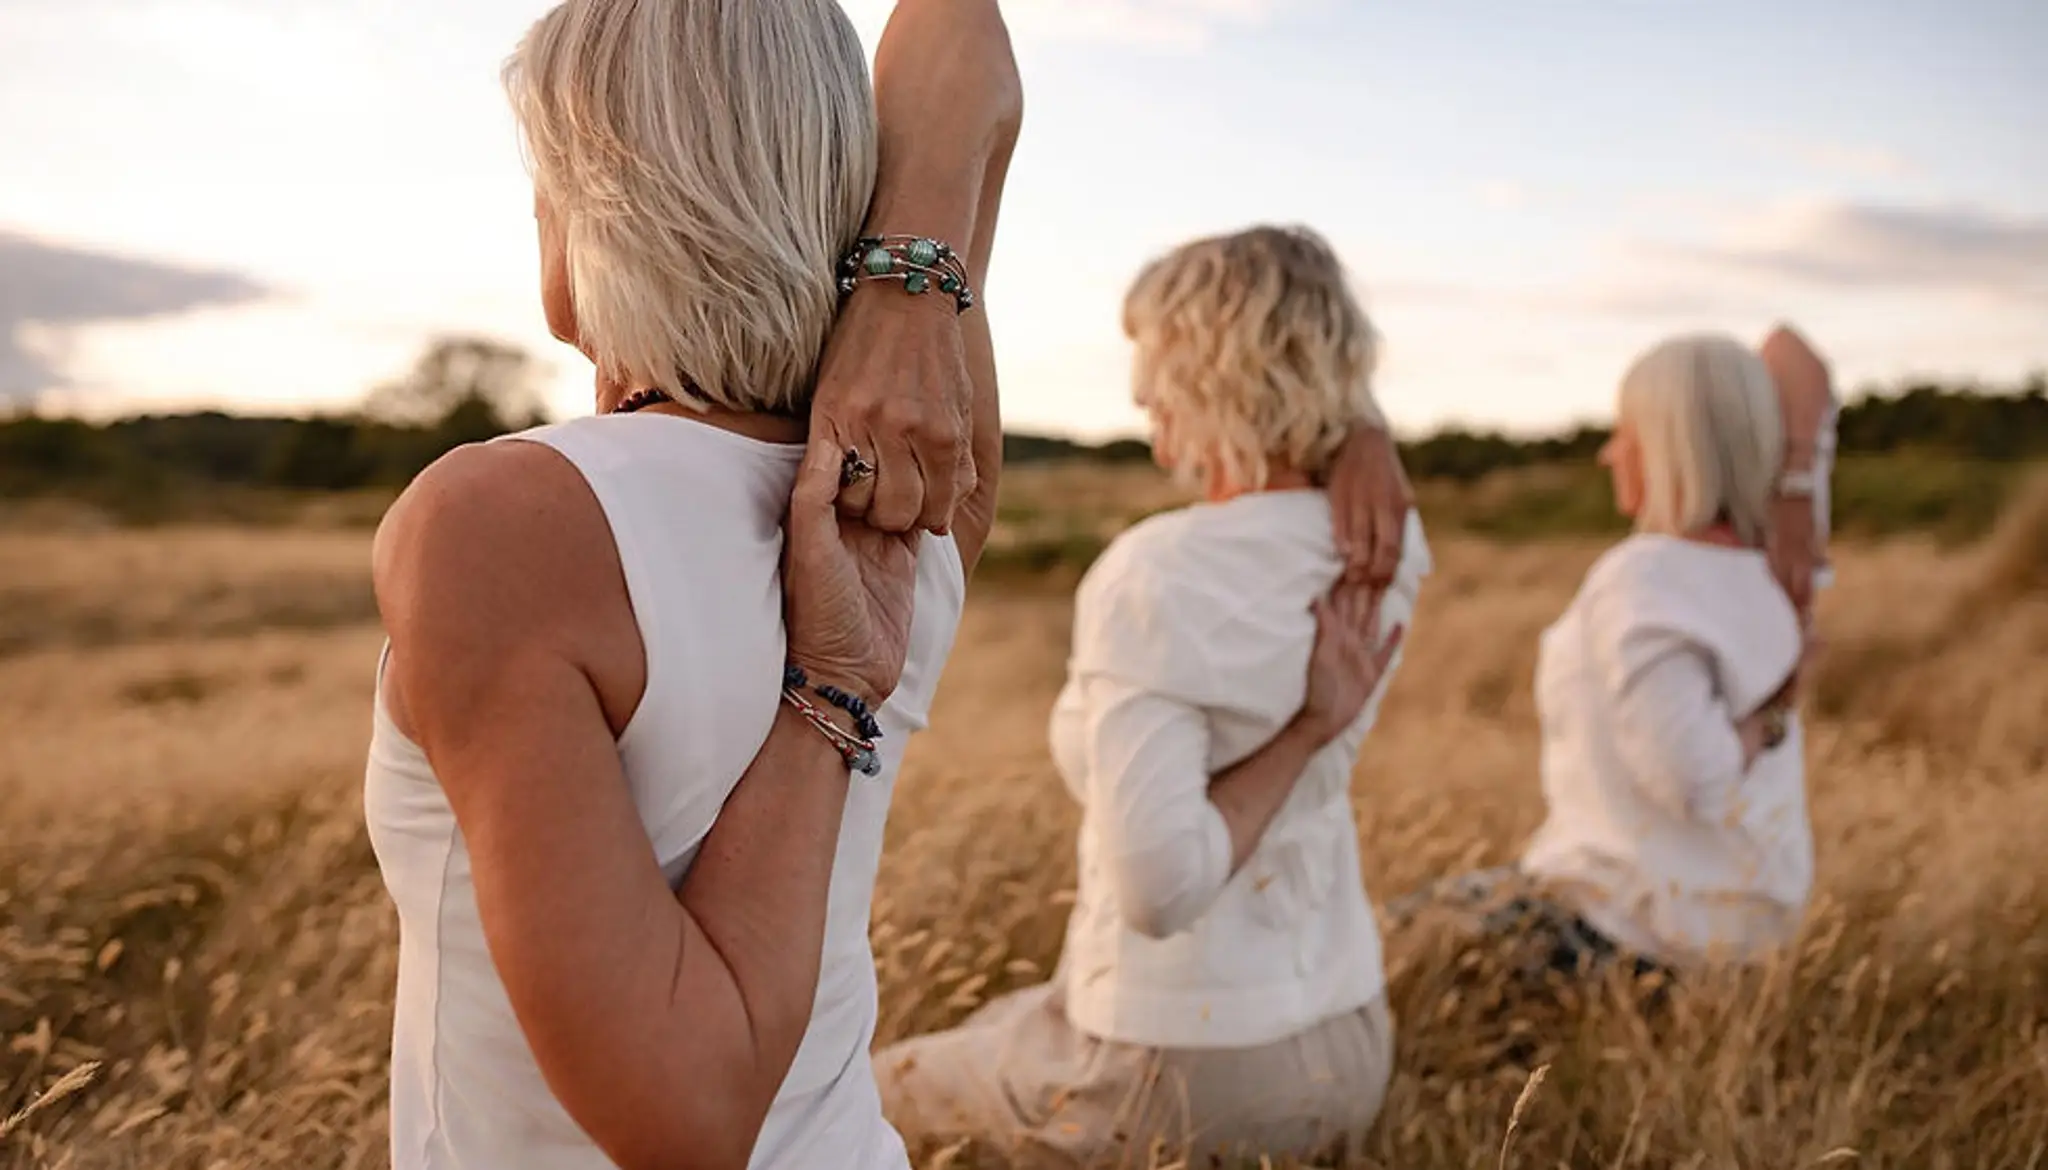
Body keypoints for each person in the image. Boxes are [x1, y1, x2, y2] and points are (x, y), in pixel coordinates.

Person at [362, 2, 1023, 1167]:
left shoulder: (501, 523)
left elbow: (687, 1118)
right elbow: (960, 34)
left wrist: (826, 692)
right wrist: (903, 295)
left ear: (596, 205)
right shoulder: (913, 498)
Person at [874, 226, 1430, 1167]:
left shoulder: (1158, 571)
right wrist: (1363, 431)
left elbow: (1161, 888)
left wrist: (1306, 731)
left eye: (1153, 358)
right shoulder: (1386, 539)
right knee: (1001, 1023)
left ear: (1217, 372)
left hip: (1181, 1074)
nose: (1137, 393)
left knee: (856, 1097)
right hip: (1347, 1042)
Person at [1391, 333, 1820, 979]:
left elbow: (1694, 779)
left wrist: (1769, 719)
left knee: (1378, 947)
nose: (1608, 453)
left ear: (1671, 446)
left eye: (1625, 432)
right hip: (1729, 927)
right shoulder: (1780, 568)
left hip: (1631, 926)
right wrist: (1799, 491)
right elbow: (1794, 354)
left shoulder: (1645, 577)